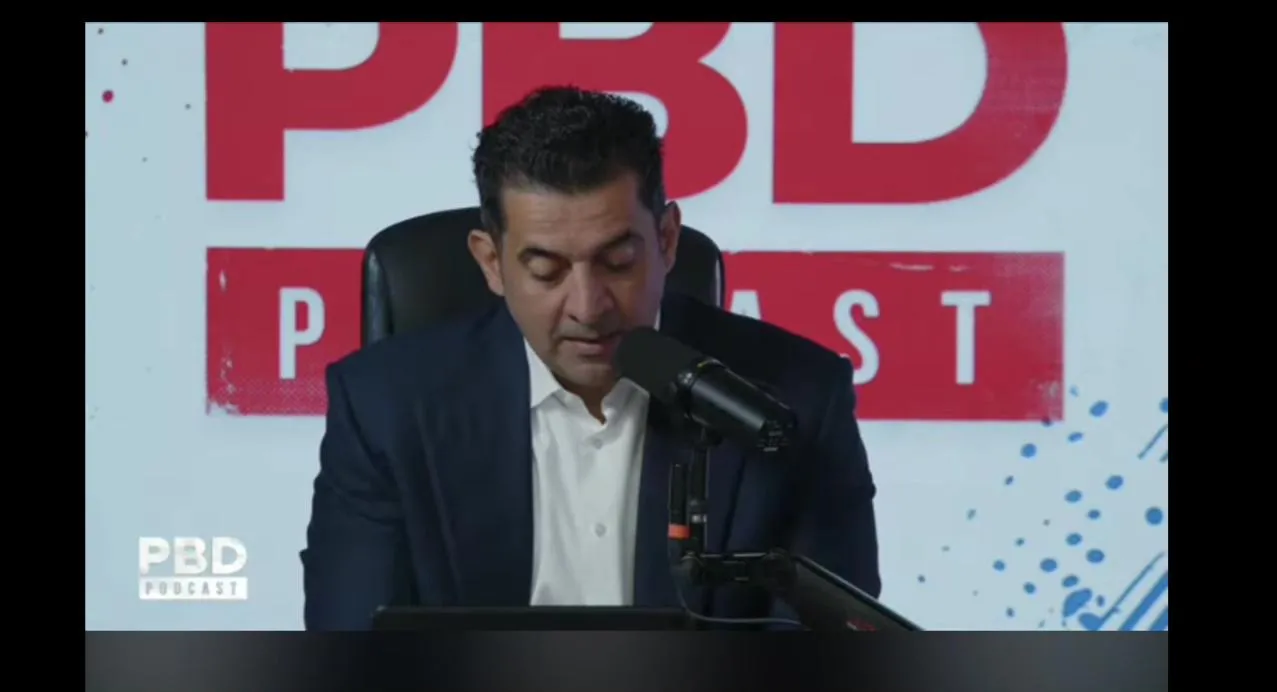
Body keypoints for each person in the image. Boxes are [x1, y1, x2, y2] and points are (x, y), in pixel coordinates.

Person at [302, 86, 880, 630]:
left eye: (618, 263)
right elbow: (352, 647)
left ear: (667, 240)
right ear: (491, 263)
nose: (587, 307)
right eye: (546, 270)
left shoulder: (798, 398)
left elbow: (829, 652)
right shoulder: (384, 407)